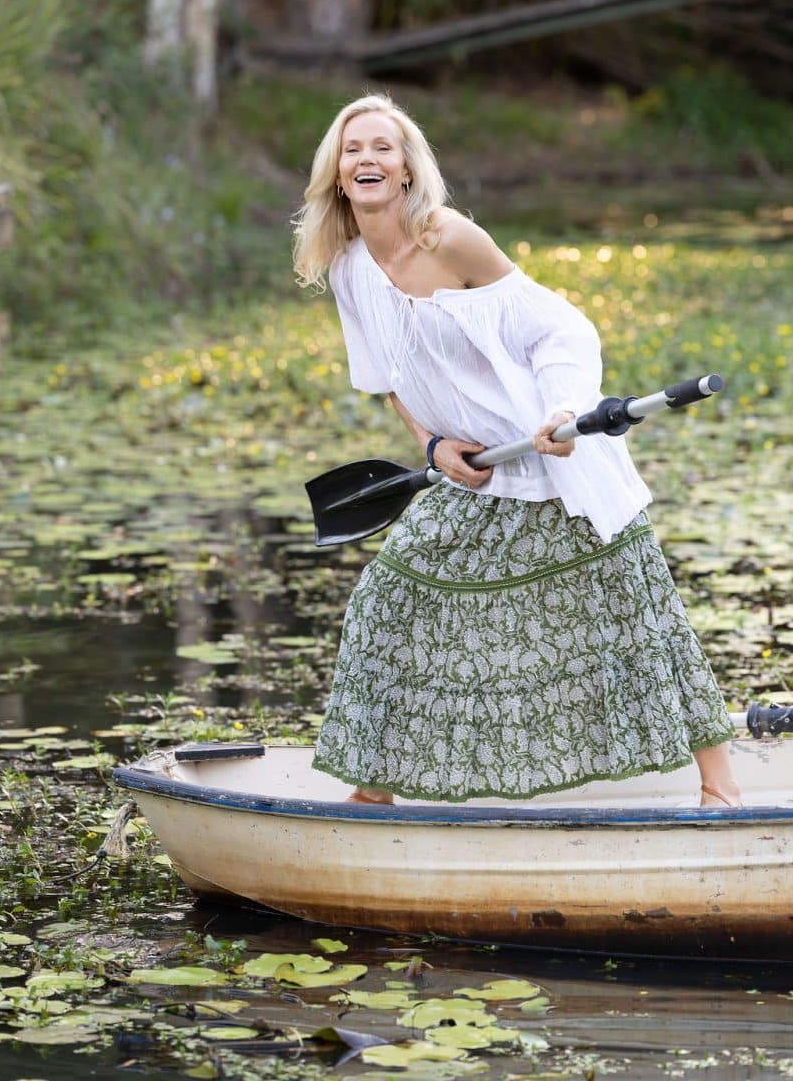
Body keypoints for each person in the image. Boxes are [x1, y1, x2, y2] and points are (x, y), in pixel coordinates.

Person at [292, 93, 741, 810]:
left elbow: (559, 331)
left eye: (383, 147)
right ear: (337, 175)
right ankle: (372, 795)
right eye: (353, 150)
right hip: (474, 477)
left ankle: (720, 787)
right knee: (388, 603)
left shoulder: (451, 239)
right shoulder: (346, 268)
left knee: (637, 619)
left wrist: (563, 411)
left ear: (406, 170)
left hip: (557, 463)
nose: (367, 159)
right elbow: (389, 380)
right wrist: (432, 446)